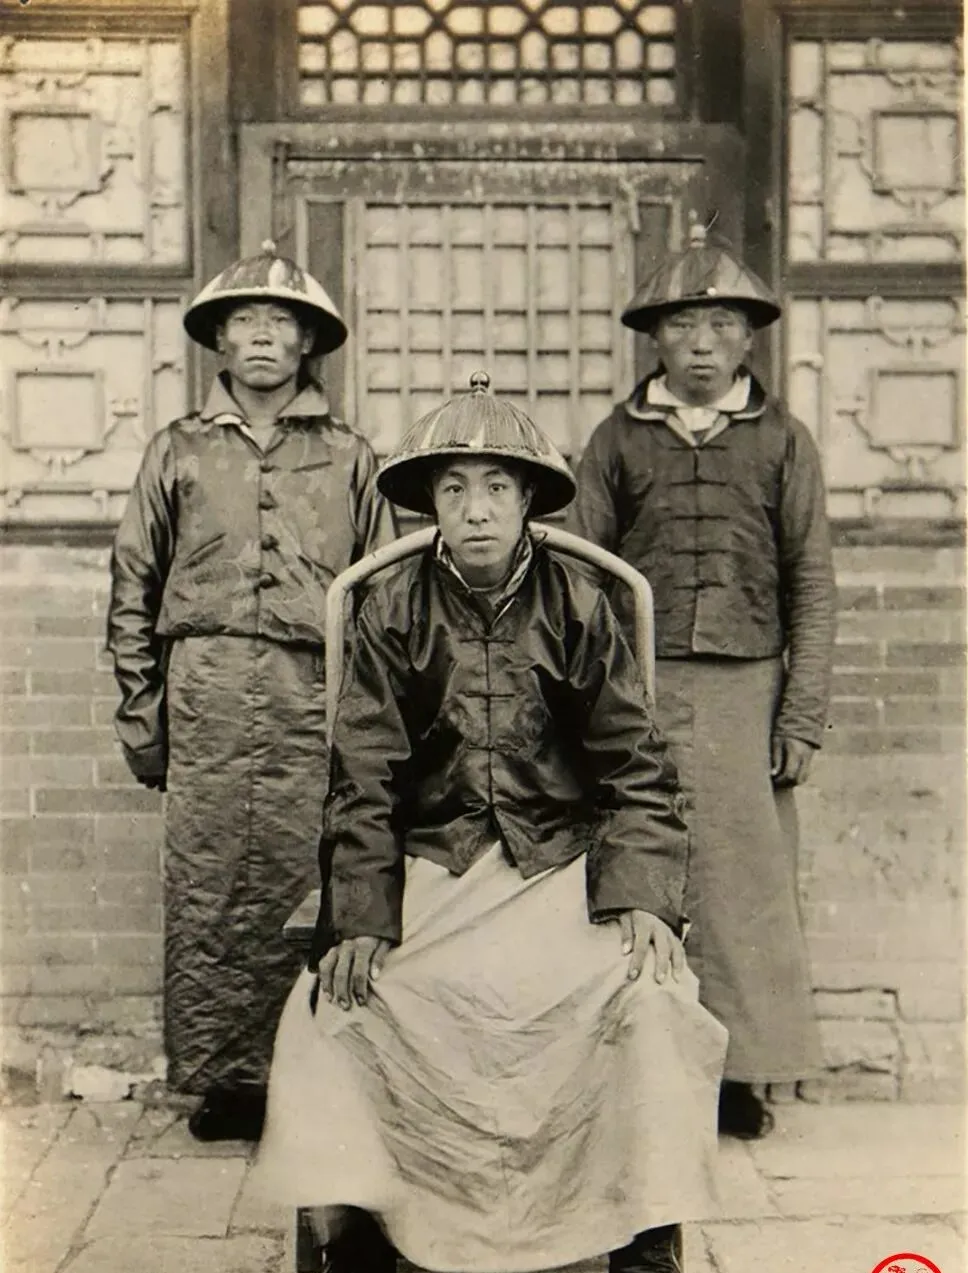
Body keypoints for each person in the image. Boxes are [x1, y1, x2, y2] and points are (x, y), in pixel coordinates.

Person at [255, 372, 728, 1273]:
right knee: (340, 1007)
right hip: (435, 860)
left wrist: (641, 896)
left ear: (527, 500)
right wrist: (360, 914)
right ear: (430, 503)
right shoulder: (391, 608)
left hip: (558, 863)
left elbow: (636, 765)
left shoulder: (579, 602)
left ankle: (642, 1234)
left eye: (498, 486)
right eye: (454, 488)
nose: (477, 510)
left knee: (651, 998)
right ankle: (363, 1231)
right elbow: (363, 776)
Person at [106, 242, 398, 1142]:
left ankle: (314, 1072)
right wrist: (144, 716)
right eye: (245, 321)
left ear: (308, 341)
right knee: (209, 886)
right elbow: (133, 584)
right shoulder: (177, 451)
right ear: (219, 342)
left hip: (315, 695)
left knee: (312, 875)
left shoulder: (350, 456)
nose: (264, 336)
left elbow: (383, 591)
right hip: (207, 695)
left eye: (282, 321)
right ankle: (225, 1083)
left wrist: (372, 721)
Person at [565, 229, 836, 1140]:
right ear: (656, 338)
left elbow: (813, 582)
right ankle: (638, 1061)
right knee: (639, 862)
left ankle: (739, 1072)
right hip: (638, 688)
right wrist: (589, 699)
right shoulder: (615, 439)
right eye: (683, 325)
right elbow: (581, 571)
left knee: (743, 882)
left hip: (747, 692)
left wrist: (800, 714)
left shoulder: (784, 440)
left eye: (721, 325)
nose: (703, 344)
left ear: (748, 338)